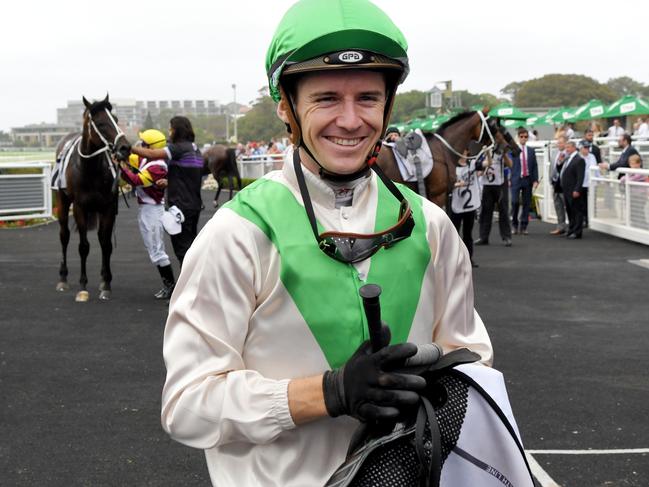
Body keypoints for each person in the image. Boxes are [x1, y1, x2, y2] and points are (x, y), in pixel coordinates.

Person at [160, 1, 494, 485]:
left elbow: (473, 360)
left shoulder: (433, 226)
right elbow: (187, 406)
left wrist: (439, 381)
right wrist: (329, 393)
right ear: (286, 106)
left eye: (368, 98)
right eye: (326, 99)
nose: (351, 120)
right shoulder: (235, 235)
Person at [131, 116, 205, 265]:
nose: (169, 132)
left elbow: (152, 154)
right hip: (194, 206)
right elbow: (190, 176)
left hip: (180, 207)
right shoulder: (194, 149)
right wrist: (169, 181)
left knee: (182, 250)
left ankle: (191, 286)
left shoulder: (178, 148)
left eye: (171, 128)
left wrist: (128, 147)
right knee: (191, 248)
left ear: (177, 130)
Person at [120, 130, 175, 299]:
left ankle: (171, 286)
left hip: (153, 210)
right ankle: (168, 285)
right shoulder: (147, 159)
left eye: (143, 144)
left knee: (158, 250)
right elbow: (132, 158)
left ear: (151, 146)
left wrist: (121, 167)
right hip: (146, 210)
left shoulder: (158, 166)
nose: (140, 146)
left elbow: (136, 180)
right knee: (153, 249)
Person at [475, 143, 513, 246]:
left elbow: (510, 164)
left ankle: (506, 236)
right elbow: (479, 166)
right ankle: (483, 236)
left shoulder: (502, 149)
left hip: (500, 183)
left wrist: (504, 154)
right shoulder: (484, 151)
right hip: (487, 183)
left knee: (503, 210)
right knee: (486, 210)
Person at [450, 150, 482, 267]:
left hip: (469, 205)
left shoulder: (472, 164)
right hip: (457, 204)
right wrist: (458, 184)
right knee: (454, 233)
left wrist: (488, 151)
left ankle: (469, 258)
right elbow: (448, 184)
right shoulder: (452, 166)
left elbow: (487, 163)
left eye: (465, 151)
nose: (463, 153)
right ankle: (454, 260)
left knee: (468, 234)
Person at [510, 128, 539, 235]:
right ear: (518, 137)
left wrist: (535, 179)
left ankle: (524, 226)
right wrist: (509, 178)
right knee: (515, 202)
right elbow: (509, 165)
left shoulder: (531, 151)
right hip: (516, 179)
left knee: (527, 203)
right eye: (521, 136)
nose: (523, 138)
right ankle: (514, 224)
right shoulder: (513, 149)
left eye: (525, 136)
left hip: (527, 179)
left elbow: (534, 166)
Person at [560, 141, 586, 239]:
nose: (567, 149)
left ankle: (577, 231)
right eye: (566, 147)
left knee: (577, 211)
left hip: (574, 190)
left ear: (574, 148)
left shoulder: (579, 160)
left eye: (569, 147)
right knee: (570, 211)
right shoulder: (568, 159)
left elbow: (580, 177)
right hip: (566, 189)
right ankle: (571, 229)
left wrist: (577, 189)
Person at [550, 136, 568, 235]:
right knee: (558, 206)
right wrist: (551, 179)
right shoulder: (554, 153)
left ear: (565, 143)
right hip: (555, 183)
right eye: (558, 143)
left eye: (561, 143)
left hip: (564, 184)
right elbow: (552, 167)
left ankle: (570, 227)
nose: (559, 144)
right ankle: (560, 226)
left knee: (567, 206)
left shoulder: (568, 154)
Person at [579, 140, 598, 226]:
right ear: (580, 148)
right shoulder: (578, 157)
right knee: (582, 203)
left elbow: (595, 169)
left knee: (590, 202)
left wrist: (599, 179)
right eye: (585, 147)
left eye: (588, 147)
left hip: (591, 184)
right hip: (581, 183)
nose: (587, 149)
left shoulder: (592, 156)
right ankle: (583, 219)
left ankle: (590, 219)